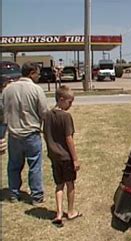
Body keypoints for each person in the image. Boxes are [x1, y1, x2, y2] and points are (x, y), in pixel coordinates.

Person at [3, 62, 48, 204]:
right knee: (34, 166)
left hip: (14, 134)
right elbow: (44, 112)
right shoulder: (36, 90)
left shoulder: (8, 89)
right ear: (32, 73)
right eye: (38, 73)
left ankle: (13, 194)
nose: (39, 76)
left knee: (14, 165)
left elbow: (3, 111)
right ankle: (36, 196)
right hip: (31, 133)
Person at [43, 85, 81, 227]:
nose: (71, 105)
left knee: (59, 185)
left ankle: (58, 213)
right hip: (66, 157)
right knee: (70, 184)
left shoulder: (47, 115)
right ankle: (70, 211)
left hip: (54, 157)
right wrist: (75, 159)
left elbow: (45, 135)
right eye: (69, 102)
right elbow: (69, 138)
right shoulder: (66, 117)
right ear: (61, 99)